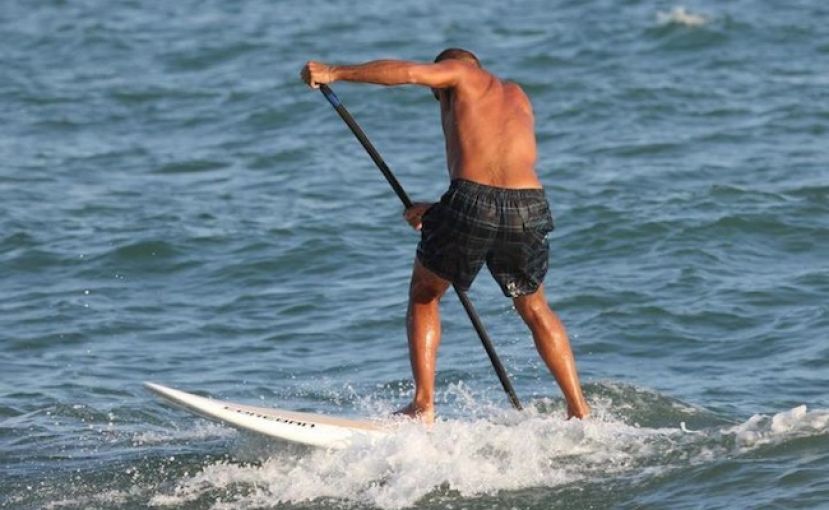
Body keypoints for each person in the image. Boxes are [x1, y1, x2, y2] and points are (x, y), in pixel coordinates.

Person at [301, 48, 590, 423]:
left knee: (425, 292)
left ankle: (423, 406)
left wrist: (333, 72)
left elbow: (408, 73)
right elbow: (498, 178)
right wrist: (440, 212)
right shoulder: (517, 95)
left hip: (473, 200)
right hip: (529, 205)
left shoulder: (460, 73)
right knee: (535, 307)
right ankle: (579, 411)